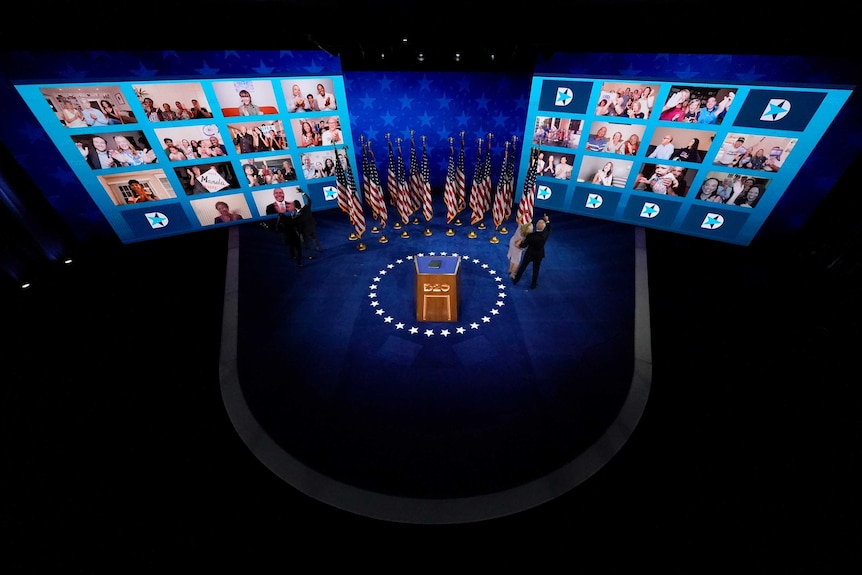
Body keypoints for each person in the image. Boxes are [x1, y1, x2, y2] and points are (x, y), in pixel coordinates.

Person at [512, 213, 551, 290]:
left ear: (536, 226)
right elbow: (549, 229)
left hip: (529, 254)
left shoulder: (530, 236)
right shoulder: (545, 235)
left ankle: (516, 280)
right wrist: (547, 220)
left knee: (522, 267)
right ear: (543, 228)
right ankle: (533, 284)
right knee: (536, 269)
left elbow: (523, 246)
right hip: (539, 255)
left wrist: (520, 242)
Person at [293, 190, 322, 257]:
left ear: (295, 207)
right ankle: (319, 248)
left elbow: (294, 223)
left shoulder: (297, 216)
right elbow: (309, 200)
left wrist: (293, 217)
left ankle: (310, 255)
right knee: (314, 238)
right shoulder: (306, 208)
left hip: (304, 231)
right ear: (300, 204)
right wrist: (303, 193)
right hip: (312, 227)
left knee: (306, 243)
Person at [274, 197, 303, 265]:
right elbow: (297, 225)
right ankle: (299, 262)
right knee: (298, 249)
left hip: (288, 237)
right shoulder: (291, 218)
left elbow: (277, 228)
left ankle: (293, 257)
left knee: (291, 247)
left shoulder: (283, 220)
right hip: (293, 236)